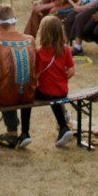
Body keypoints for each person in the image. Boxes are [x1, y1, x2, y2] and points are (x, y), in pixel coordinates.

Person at [0, 4, 38, 149]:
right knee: (11, 82)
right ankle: (13, 132)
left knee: (2, 87)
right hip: (29, 94)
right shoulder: (30, 39)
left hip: (6, 97)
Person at [35, 15, 77, 147]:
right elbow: (71, 70)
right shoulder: (65, 49)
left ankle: (25, 132)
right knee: (55, 98)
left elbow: (35, 76)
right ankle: (63, 126)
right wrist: (63, 78)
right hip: (62, 90)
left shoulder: (40, 53)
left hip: (46, 91)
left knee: (30, 96)